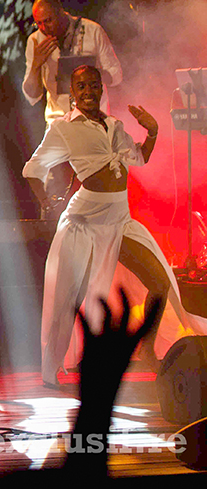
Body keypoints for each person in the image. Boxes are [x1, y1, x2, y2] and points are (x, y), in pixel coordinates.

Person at [22, 65, 207, 387]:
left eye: (94, 85)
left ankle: (147, 347)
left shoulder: (114, 125)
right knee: (69, 297)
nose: (90, 91)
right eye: (82, 86)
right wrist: (48, 203)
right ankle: (50, 369)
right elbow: (32, 169)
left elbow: (139, 159)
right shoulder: (63, 129)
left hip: (119, 220)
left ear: (101, 88)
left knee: (160, 283)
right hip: (84, 221)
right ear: (73, 93)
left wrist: (152, 132)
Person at [22, 0, 124, 201]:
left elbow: (116, 74)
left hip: (93, 123)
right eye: (38, 23)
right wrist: (36, 65)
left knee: (95, 188)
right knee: (55, 187)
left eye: (48, 21)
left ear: (61, 13)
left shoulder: (92, 31)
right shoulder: (35, 41)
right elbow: (32, 95)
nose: (44, 28)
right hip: (59, 122)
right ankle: (53, 226)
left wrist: (88, 74)